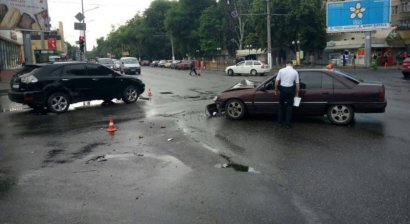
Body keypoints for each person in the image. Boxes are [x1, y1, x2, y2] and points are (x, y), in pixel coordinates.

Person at [274, 61, 300, 128]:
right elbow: (297, 84)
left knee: (280, 106)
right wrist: (297, 93)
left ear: (286, 64)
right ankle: (288, 124)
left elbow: (276, 81)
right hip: (290, 90)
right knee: (289, 107)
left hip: (282, 90)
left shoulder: (281, 70)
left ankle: (280, 123)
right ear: (292, 65)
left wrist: (276, 90)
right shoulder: (295, 72)